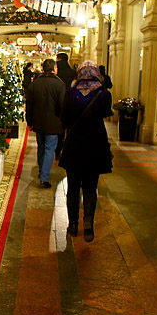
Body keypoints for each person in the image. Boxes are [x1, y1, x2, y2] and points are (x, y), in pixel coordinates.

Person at [59, 61, 113, 242]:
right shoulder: (104, 94)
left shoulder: (70, 93)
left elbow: (64, 118)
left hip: (75, 143)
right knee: (90, 187)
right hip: (95, 143)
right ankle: (88, 222)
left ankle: (73, 224)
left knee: (73, 187)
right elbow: (106, 113)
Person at [26, 59, 65, 188]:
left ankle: (41, 171)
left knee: (41, 147)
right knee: (49, 149)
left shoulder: (35, 84)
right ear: (54, 69)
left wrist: (29, 121)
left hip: (38, 122)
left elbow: (29, 105)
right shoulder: (59, 84)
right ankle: (44, 177)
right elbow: (62, 105)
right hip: (53, 123)